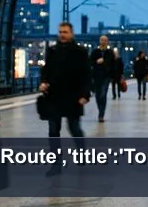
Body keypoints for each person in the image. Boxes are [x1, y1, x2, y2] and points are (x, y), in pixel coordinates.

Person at [40, 22, 90, 176]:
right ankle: (56, 165)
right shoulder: (52, 50)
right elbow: (46, 70)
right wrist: (43, 82)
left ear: (72, 34)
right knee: (53, 131)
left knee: (74, 128)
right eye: (60, 31)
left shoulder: (80, 52)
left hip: (73, 96)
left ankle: (82, 152)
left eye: (65, 32)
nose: (62, 34)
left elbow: (86, 75)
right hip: (54, 96)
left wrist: (84, 95)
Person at [89, 35, 114, 122]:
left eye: (105, 40)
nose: (103, 42)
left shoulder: (110, 52)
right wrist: (96, 62)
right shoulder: (95, 52)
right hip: (96, 77)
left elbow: (113, 64)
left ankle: (101, 115)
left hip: (106, 77)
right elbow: (89, 62)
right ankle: (100, 110)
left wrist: (112, 74)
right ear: (99, 41)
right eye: (102, 40)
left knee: (103, 95)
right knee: (97, 96)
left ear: (107, 42)